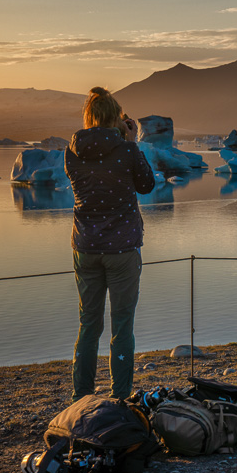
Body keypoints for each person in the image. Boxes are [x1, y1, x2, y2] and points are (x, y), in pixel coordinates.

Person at [63, 87, 156, 400]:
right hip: (122, 249)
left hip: (85, 247)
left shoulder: (70, 151)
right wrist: (132, 143)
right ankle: (120, 397)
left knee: (88, 324)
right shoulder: (127, 150)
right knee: (122, 326)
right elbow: (146, 185)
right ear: (116, 118)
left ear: (89, 117)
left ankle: (82, 396)